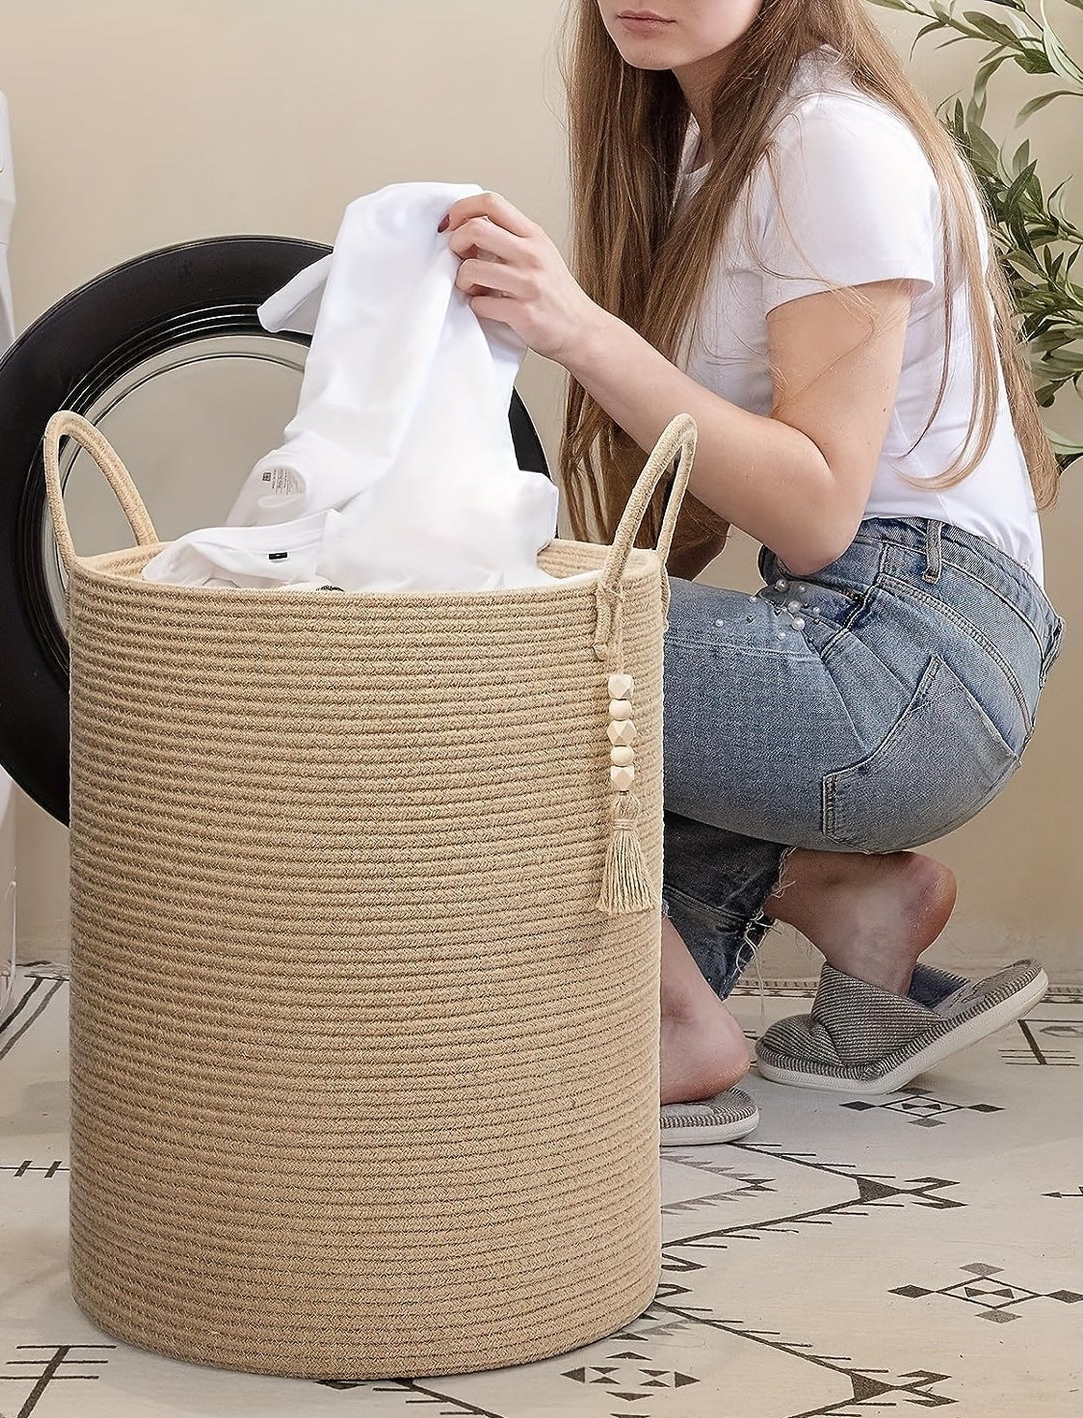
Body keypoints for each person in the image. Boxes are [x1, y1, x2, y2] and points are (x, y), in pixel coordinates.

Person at [439, 0, 1066, 1144]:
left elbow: (818, 510)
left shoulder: (826, 140)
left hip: (906, 661)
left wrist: (575, 329)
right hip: (882, 641)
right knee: (535, 693)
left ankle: (676, 1024)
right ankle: (853, 902)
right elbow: (699, 509)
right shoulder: (704, 147)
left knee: (470, 640)